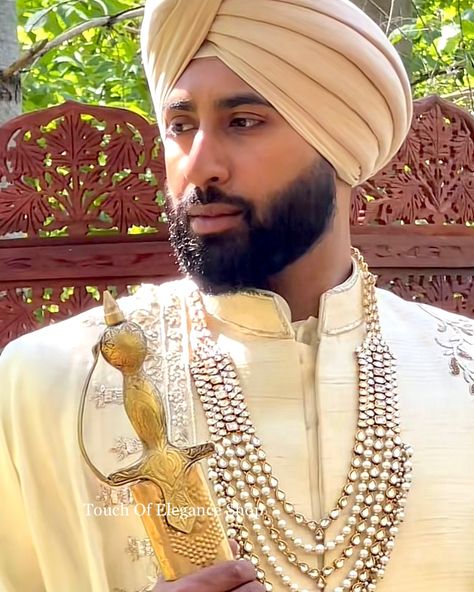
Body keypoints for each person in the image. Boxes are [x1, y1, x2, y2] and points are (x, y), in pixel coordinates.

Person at [0, 0, 473, 591]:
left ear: (340, 142)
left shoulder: (461, 372)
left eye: (243, 121)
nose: (198, 166)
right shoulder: (41, 381)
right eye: (178, 126)